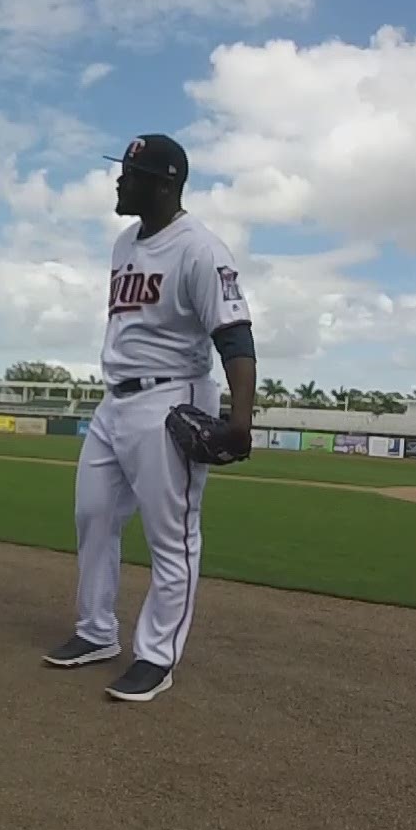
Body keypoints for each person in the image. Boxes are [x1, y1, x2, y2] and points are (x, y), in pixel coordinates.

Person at [42, 133, 257, 702]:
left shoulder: (200, 250)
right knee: (92, 515)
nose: (119, 181)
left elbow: (235, 336)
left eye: (131, 174)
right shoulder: (123, 244)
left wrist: (240, 419)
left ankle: (157, 656)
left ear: (165, 184)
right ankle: (95, 632)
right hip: (114, 403)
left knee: (174, 537)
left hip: (171, 399)